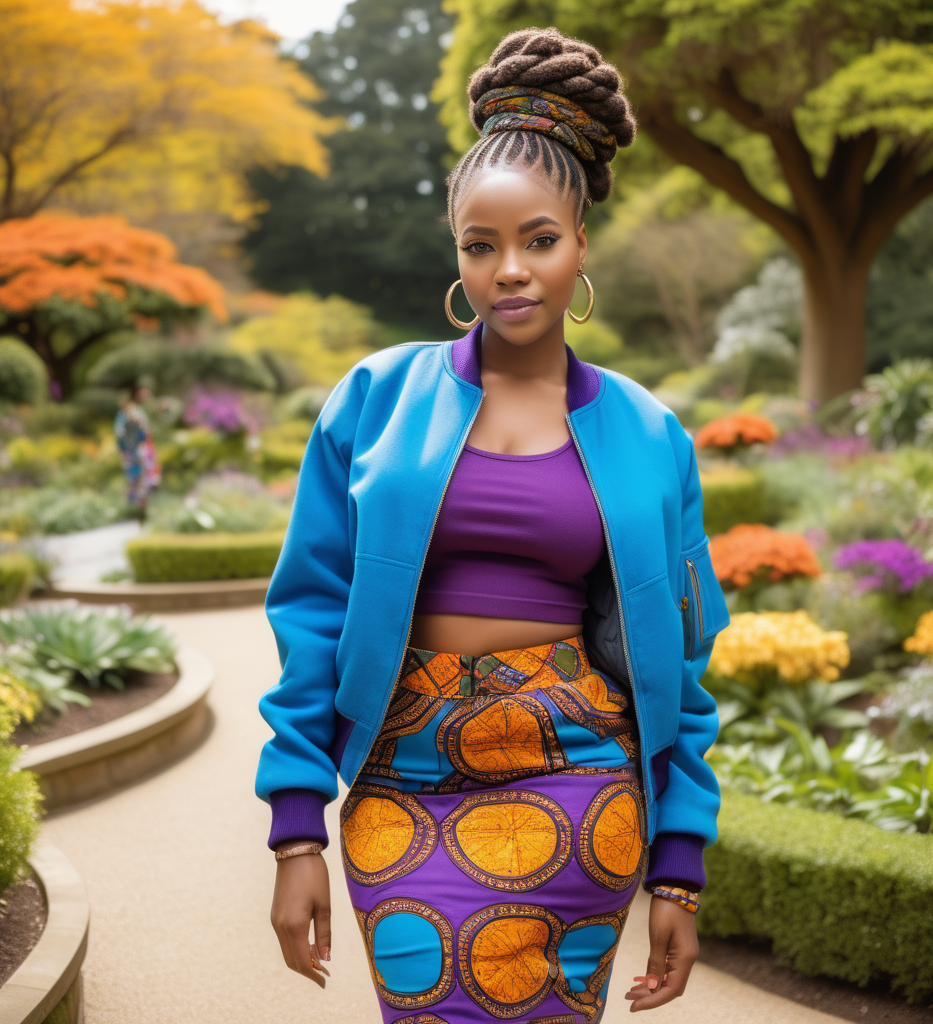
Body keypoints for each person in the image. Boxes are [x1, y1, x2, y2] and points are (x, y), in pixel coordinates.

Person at [256, 27, 730, 1023]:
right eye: (481, 244)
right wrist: (297, 828)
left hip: (580, 778)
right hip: (402, 777)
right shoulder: (371, 400)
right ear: (457, 253)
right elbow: (310, 611)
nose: (509, 269)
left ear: (580, 244)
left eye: (538, 240)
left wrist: (678, 867)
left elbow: (684, 664)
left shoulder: (652, 435)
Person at [114, 384, 160, 521]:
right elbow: (121, 433)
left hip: (143, 450)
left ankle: (142, 512)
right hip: (134, 452)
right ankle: (137, 513)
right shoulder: (129, 412)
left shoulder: (141, 410)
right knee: (137, 481)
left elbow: (146, 432)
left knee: (145, 482)